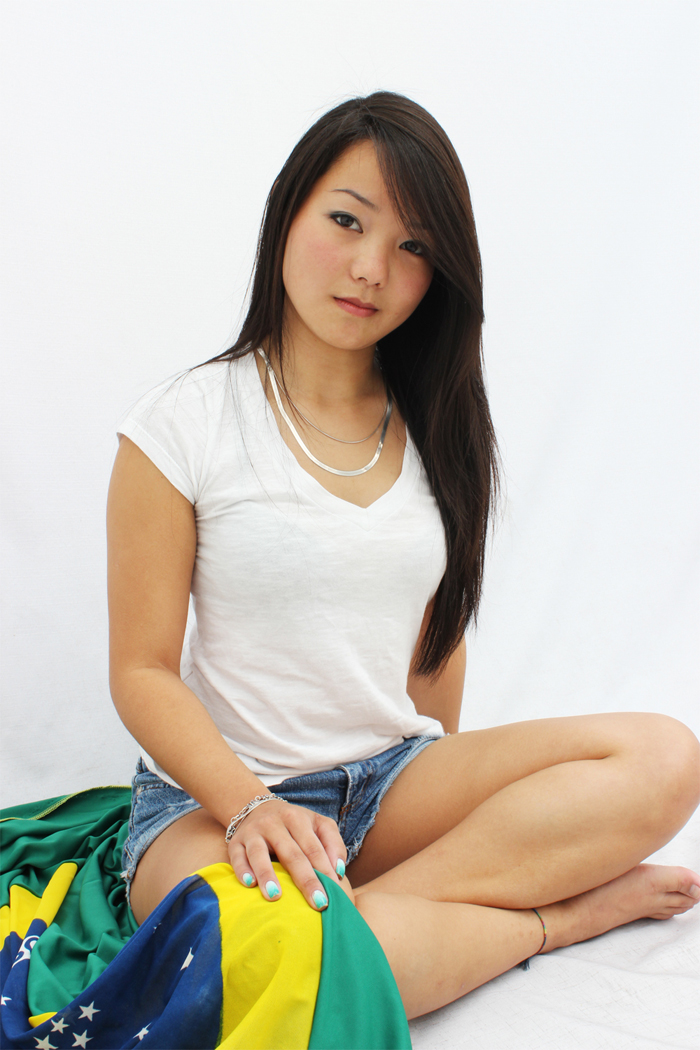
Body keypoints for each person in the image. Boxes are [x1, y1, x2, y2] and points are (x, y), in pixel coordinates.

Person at [107, 92, 700, 1020]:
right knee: (249, 957)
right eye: (347, 221)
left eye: (414, 246)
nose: (371, 269)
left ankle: (365, 925)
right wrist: (254, 806)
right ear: (289, 212)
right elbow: (141, 671)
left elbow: (435, 643)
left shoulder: (437, 430)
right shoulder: (181, 424)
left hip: (387, 784)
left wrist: (453, 810)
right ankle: (547, 921)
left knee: (665, 757)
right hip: (216, 802)